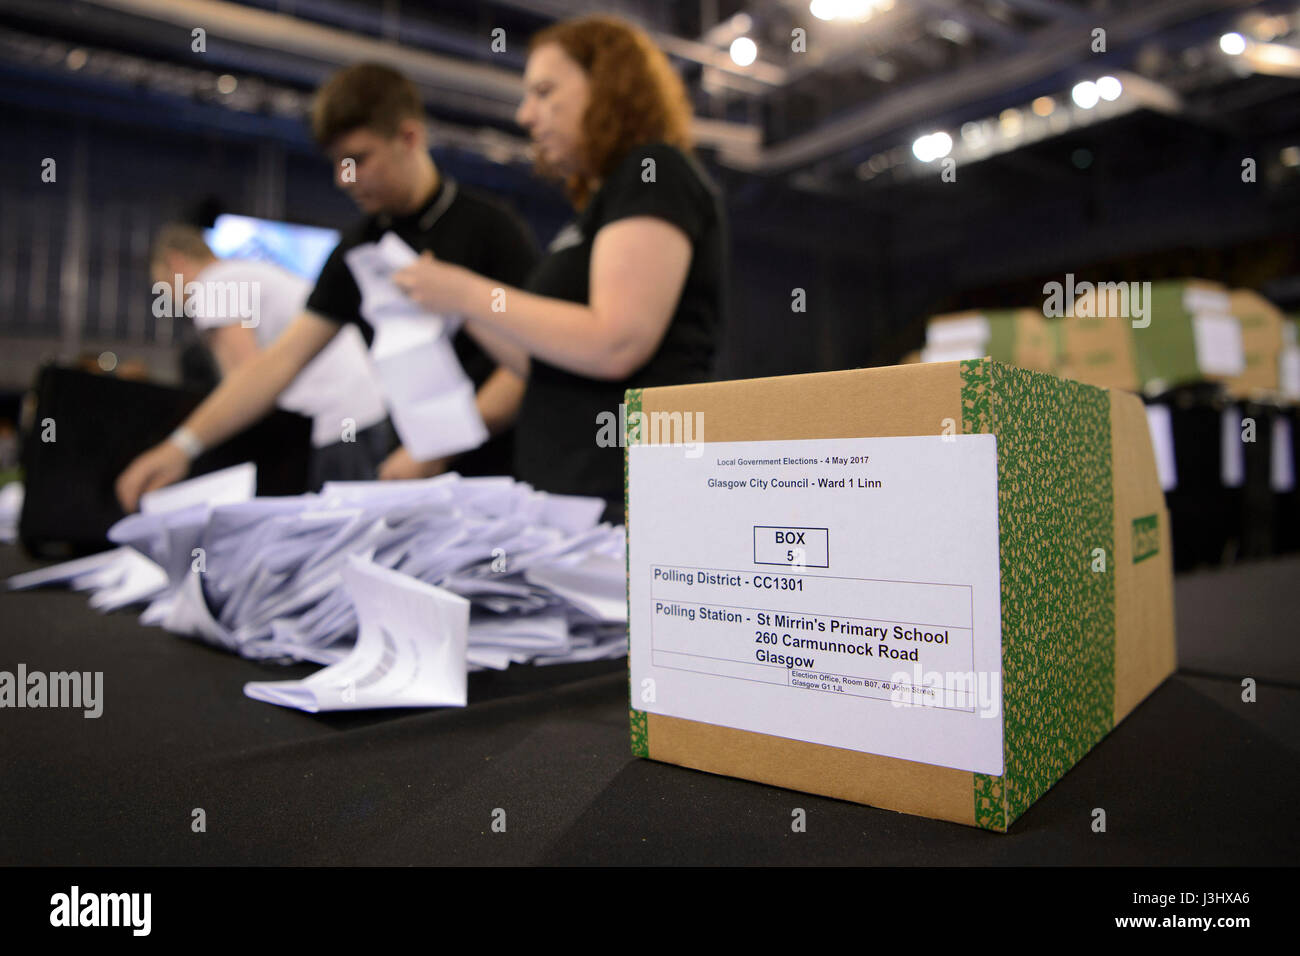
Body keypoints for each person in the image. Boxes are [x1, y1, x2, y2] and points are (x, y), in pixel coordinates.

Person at [116, 63, 539, 511]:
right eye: (337, 163)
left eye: (357, 159)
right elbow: (279, 362)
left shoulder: (492, 230)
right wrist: (182, 445)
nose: (343, 179)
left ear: (409, 138)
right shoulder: (357, 249)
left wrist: (440, 446)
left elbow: (530, 364)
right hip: (407, 470)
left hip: (498, 480)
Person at [392, 15, 727, 523]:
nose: (527, 115)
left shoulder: (653, 171)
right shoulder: (599, 206)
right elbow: (543, 359)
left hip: (626, 499)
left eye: (545, 92)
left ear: (610, 87)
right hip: (566, 498)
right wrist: (453, 306)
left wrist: (464, 293)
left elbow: (615, 343)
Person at [150, 223, 392, 487]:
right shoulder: (248, 273)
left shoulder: (214, 283)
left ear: (176, 262)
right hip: (361, 415)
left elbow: (242, 383)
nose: (169, 296)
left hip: (339, 425)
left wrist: (182, 446)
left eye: (161, 284)